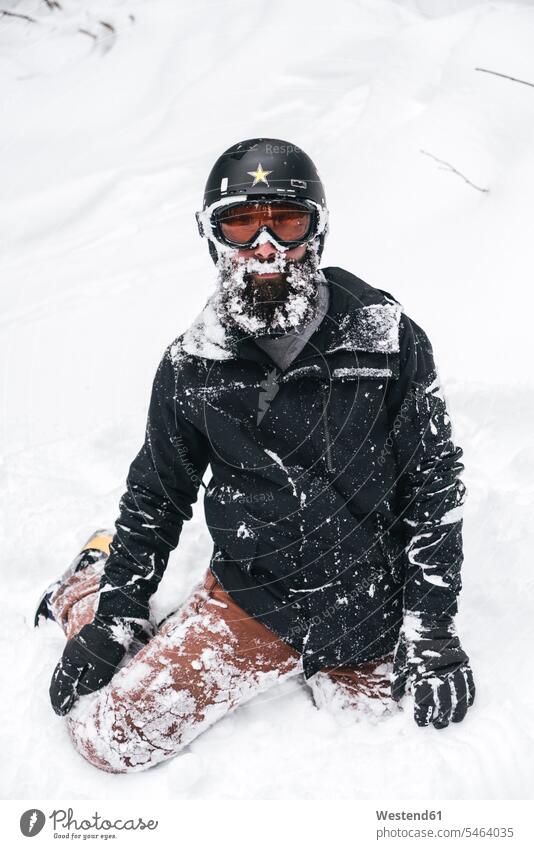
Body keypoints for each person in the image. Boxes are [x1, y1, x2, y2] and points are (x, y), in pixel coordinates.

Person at [35, 138, 475, 774]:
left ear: (315, 234)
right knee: (111, 741)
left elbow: (434, 482)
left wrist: (431, 631)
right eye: (241, 223)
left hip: (370, 604)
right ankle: (89, 581)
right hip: (255, 598)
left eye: (287, 221)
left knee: (394, 762)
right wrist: (115, 615)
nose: (265, 245)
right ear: (214, 239)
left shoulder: (384, 336)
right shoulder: (192, 366)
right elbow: (157, 494)